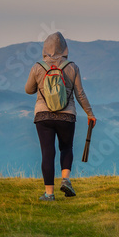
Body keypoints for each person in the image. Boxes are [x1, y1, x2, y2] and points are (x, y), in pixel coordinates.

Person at [25, 32, 96, 201]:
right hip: (67, 115)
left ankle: (49, 194)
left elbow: (28, 90)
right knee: (66, 148)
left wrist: (41, 86)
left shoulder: (37, 66)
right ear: (65, 48)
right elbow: (80, 94)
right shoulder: (72, 67)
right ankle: (66, 179)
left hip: (43, 115)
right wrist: (90, 114)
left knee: (47, 153)